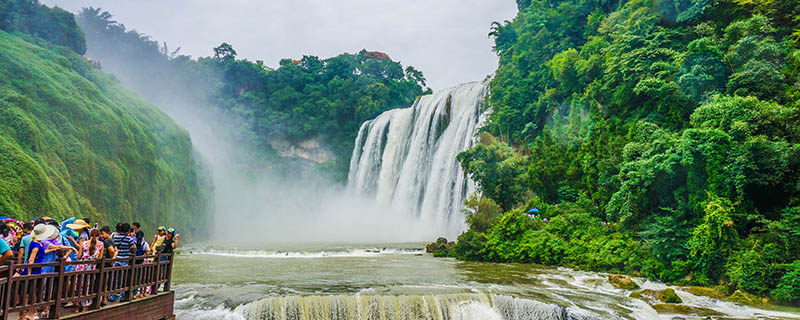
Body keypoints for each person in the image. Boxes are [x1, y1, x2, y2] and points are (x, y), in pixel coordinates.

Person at [75, 229, 103, 312]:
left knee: (78, 286)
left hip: (81, 267)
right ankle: (85, 306)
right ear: (98, 236)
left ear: (89, 235)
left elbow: (79, 256)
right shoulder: (101, 244)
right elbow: (100, 258)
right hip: (91, 268)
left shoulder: (84, 243)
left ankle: (77, 306)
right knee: (87, 286)